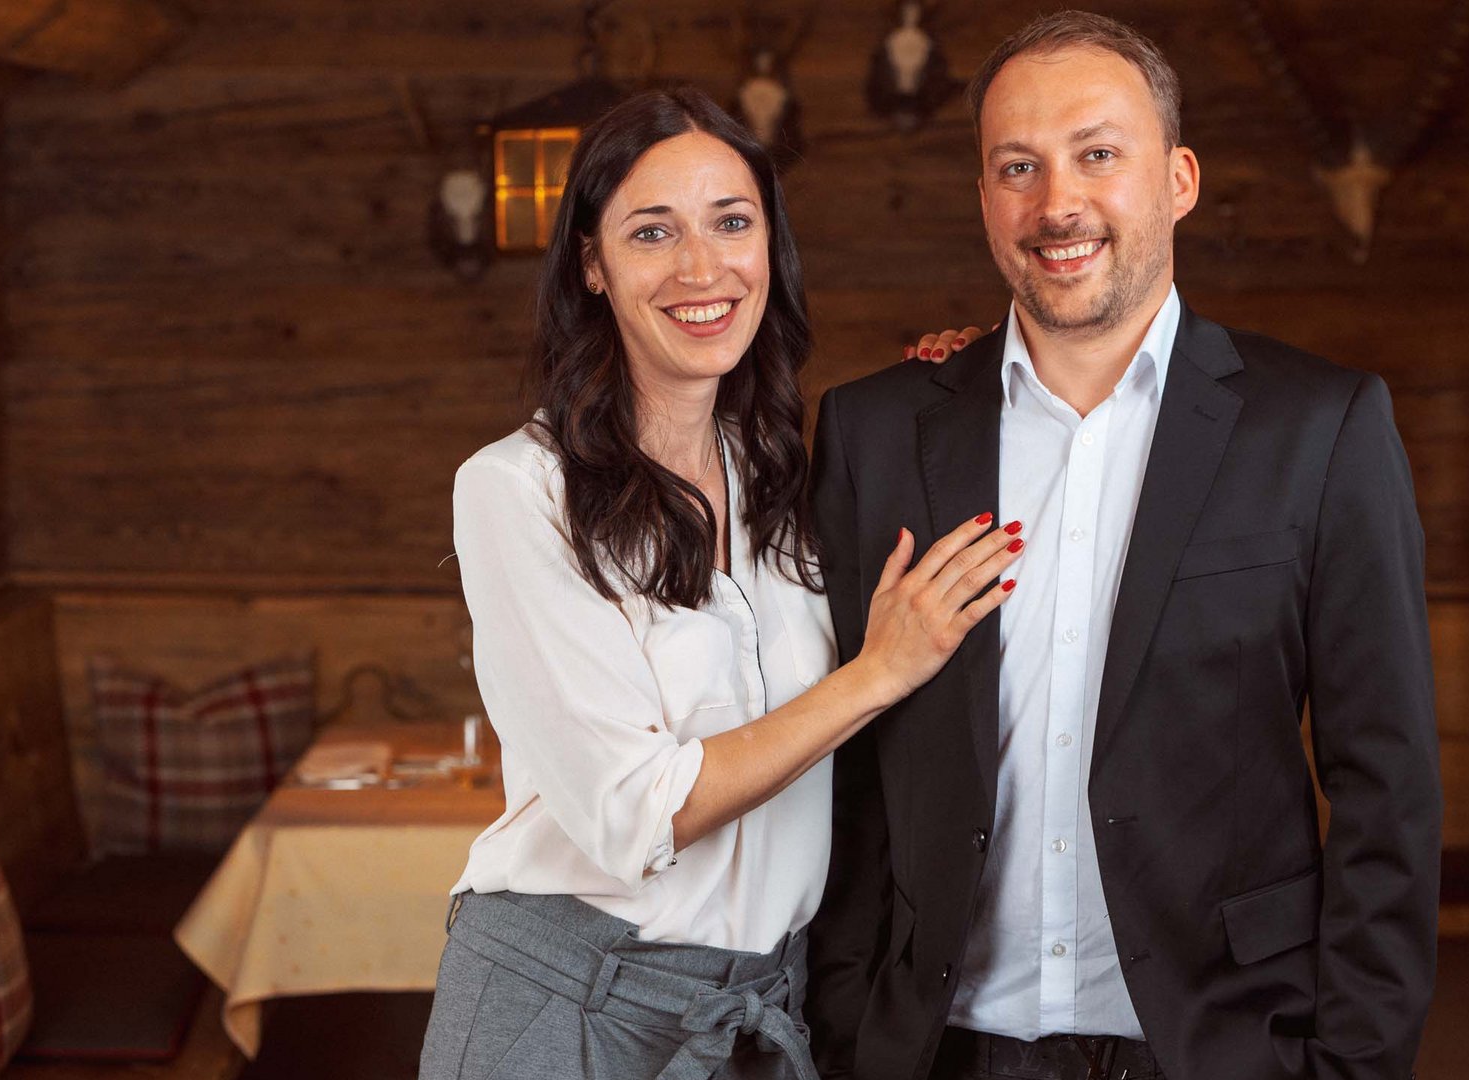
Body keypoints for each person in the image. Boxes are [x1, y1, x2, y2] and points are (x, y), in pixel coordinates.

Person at [805, 11, 1442, 1080]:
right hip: (938, 1049)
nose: (1059, 204)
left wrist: (1355, 1065)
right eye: (1020, 166)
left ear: (1178, 178)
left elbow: (1388, 785)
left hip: (1222, 1045)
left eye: (1098, 155)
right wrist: (842, 1024)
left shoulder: (1320, 429)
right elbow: (850, 771)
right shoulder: (877, 431)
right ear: (984, 200)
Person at [417, 87, 1024, 1080]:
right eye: (653, 232)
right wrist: (878, 672)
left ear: (767, 249)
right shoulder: (516, 490)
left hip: (761, 1009)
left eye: (731, 223)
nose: (703, 268)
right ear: (592, 264)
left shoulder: (785, 473)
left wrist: (960, 385)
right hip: (568, 1006)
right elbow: (634, 813)